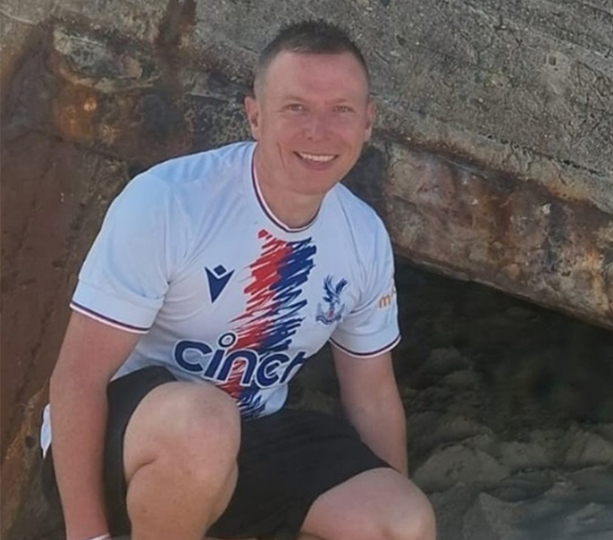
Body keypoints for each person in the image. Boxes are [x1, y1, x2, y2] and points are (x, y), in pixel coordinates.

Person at [40, 19, 436, 540]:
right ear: (254, 115)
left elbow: (372, 396)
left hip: (252, 437)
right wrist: (86, 533)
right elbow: (76, 380)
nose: (318, 131)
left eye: (340, 110)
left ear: (367, 122)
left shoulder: (363, 236)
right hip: (127, 449)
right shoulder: (170, 203)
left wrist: (391, 483)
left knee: (402, 522)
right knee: (204, 426)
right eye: (295, 107)